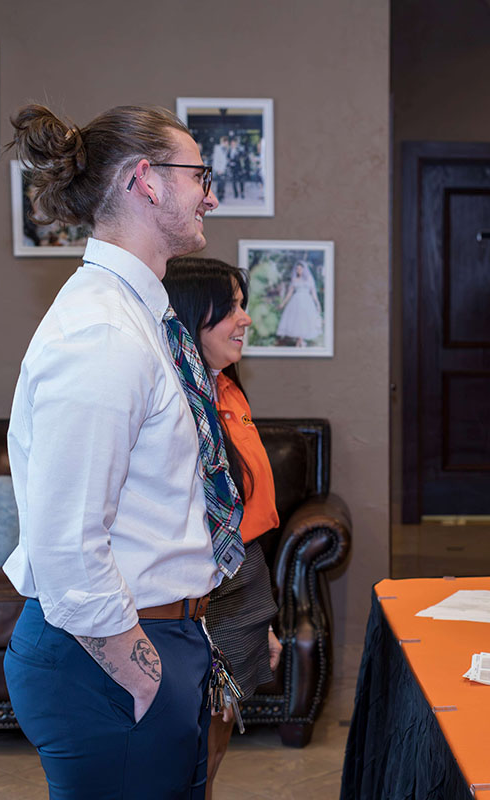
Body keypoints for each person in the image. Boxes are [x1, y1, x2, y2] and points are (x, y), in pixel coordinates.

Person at [2, 103, 235, 799]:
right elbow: (68, 545)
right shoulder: (102, 332)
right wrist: (144, 678)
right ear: (148, 180)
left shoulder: (138, 313)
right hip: (104, 655)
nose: (212, 194)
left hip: (155, 638)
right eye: (200, 174)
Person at [163, 257, 283, 798]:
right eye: (230, 307)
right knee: (191, 744)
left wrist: (264, 623)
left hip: (244, 582)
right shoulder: (173, 404)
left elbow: (246, 513)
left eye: (242, 303)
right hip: (203, 593)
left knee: (215, 737)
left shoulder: (228, 392)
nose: (245, 319)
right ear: (192, 317)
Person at [276, 260, 323, 346]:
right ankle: (300, 340)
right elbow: (289, 293)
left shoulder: (309, 279)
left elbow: (313, 293)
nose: (299, 270)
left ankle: (300, 341)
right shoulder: (295, 279)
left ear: (304, 269)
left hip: (307, 301)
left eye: (300, 269)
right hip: (296, 301)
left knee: (304, 320)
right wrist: (283, 304)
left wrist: (317, 304)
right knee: (297, 320)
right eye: (297, 269)